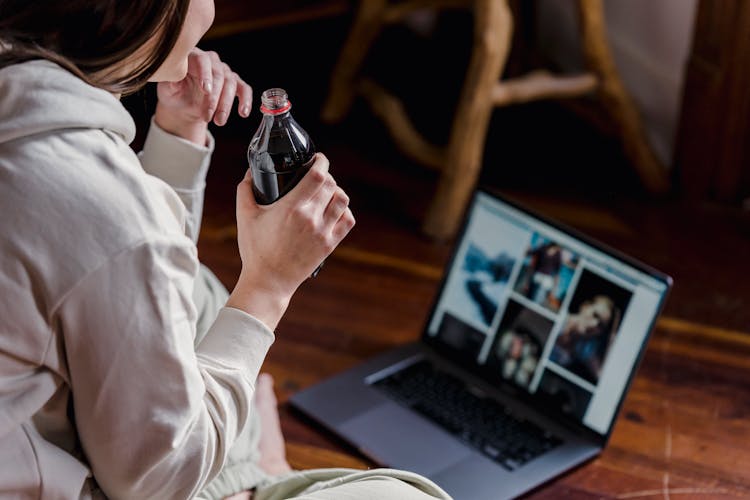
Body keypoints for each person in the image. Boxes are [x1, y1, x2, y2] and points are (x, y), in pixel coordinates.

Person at [0, 1, 452, 499]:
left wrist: (178, 132)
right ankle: (256, 478)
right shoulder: (95, 201)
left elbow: (114, 272)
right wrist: (270, 284)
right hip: (102, 482)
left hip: (42, 439)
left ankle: (247, 475)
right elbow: (156, 482)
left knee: (199, 293)